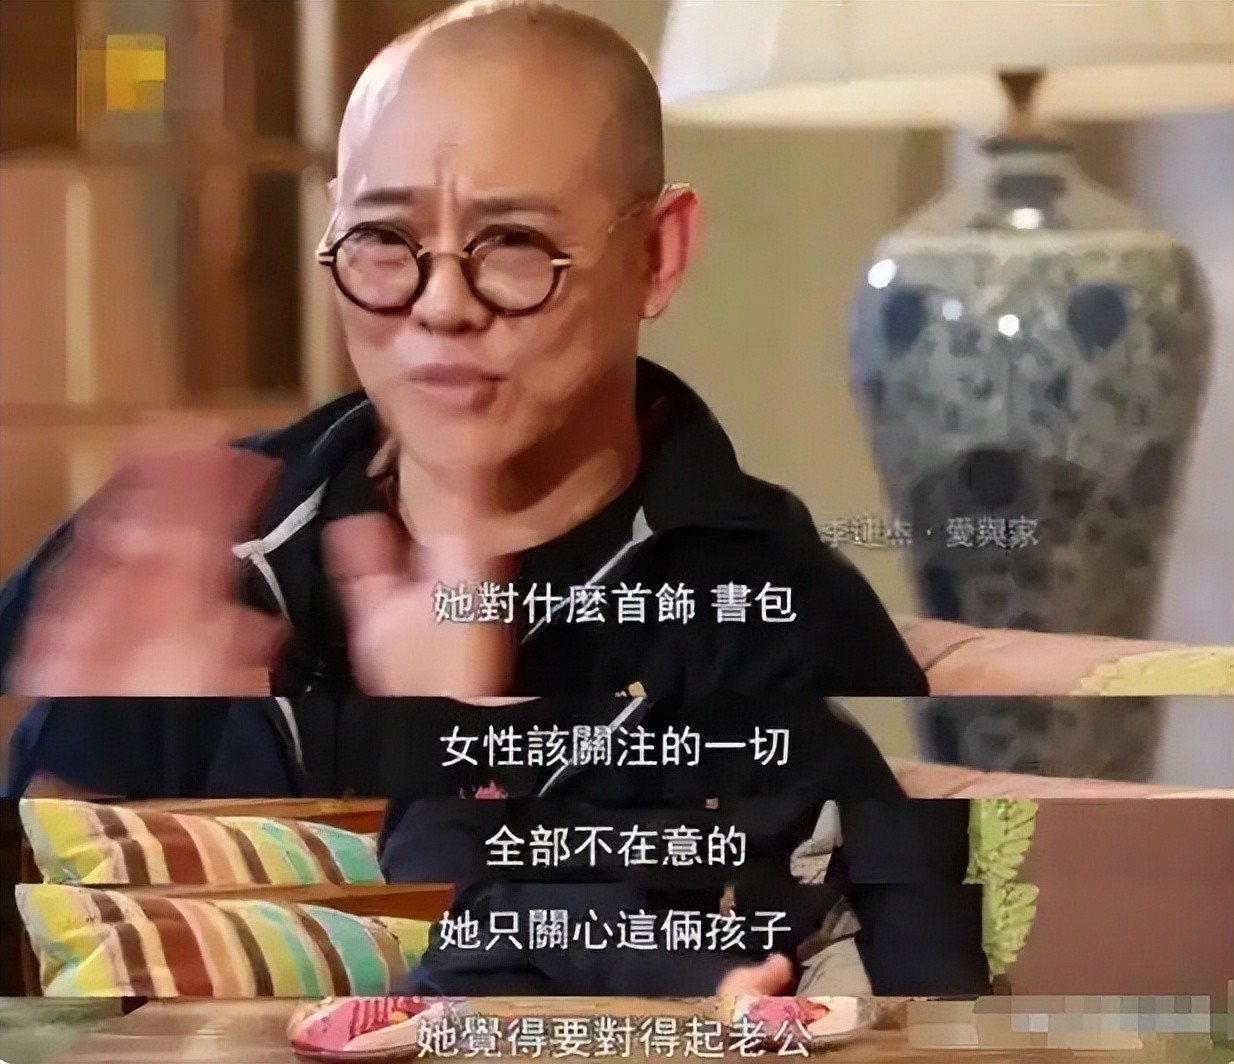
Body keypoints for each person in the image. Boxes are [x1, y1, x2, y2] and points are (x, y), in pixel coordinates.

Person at [0, 0, 985, 1000]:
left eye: (512, 243)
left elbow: (902, 988)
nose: (440, 305)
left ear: (656, 254)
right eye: (383, 239)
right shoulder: (180, 556)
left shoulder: (771, 616)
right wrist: (71, 761)